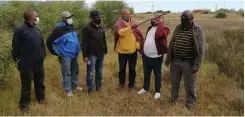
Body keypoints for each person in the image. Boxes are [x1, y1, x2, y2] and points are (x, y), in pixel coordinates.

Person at [165, 10, 205, 110]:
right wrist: (168, 58)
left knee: (190, 85)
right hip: (175, 61)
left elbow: (201, 49)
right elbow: (172, 43)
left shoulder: (197, 29)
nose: (183, 20)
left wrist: (197, 65)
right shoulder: (178, 27)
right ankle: (173, 100)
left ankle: (190, 105)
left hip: (189, 62)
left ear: (192, 19)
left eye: (186, 18)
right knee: (174, 82)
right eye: (182, 18)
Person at [12, 8, 46, 111]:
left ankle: (41, 100)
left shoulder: (36, 29)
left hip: (39, 63)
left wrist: (43, 55)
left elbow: (41, 44)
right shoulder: (20, 29)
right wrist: (17, 59)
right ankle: (24, 106)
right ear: (31, 17)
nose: (37, 17)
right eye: (36, 15)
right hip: (26, 64)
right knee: (26, 86)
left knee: (40, 82)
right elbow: (15, 46)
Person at [46, 11, 82, 97]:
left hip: (74, 54)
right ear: (63, 19)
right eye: (68, 17)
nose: (70, 19)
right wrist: (56, 53)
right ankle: (68, 90)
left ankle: (75, 85)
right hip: (65, 55)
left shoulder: (71, 26)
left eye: (70, 17)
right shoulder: (58, 29)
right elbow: (49, 41)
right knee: (67, 73)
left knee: (75, 71)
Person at [137, 13, 170, 99]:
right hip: (146, 56)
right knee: (146, 73)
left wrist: (161, 23)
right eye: (154, 18)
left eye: (158, 18)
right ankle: (145, 88)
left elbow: (160, 35)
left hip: (156, 57)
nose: (155, 19)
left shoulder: (165, 29)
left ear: (162, 19)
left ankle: (157, 91)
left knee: (157, 74)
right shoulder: (150, 28)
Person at [114, 8, 144, 91]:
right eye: (126, 14)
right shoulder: (119, 23)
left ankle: (131, 85)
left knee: (132, 69)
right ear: (122, 15)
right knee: (122, 69)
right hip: (122, 51)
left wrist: (137, 46)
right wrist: (130, 27)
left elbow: (138, 36)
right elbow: (120, 33)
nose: (128, 15)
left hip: (133, 51)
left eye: (129, 14)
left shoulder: (133, 23)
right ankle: (121, 84)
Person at [82, 11, 107, 93]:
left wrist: (105, 49)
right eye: (96, 18)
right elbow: (84, 42)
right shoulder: (87, 28)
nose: (98, 19)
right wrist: (85, 55)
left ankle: (98, 87)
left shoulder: (101, 27)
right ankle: (90, 90)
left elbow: (103, 39)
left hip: (101, 53)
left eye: (99, 17)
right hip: (91, 54)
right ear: (92, 19)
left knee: (99, 71)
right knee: (90, 72)